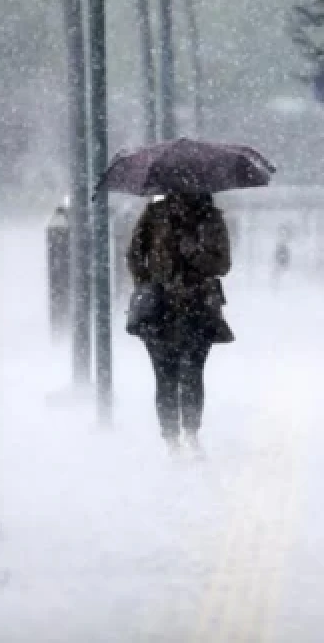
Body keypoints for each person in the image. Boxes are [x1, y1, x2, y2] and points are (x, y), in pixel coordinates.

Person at [126, 192, 233, 457]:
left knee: (193, 372)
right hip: (160, 308)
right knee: (165, 375)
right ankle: (171, 437)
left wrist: (194, 252)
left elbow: (222, 264)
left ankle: (191, 433)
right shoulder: (154, 215)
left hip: (198, 306)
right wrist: (148, 283)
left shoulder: (211, 218)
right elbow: (134, 255)